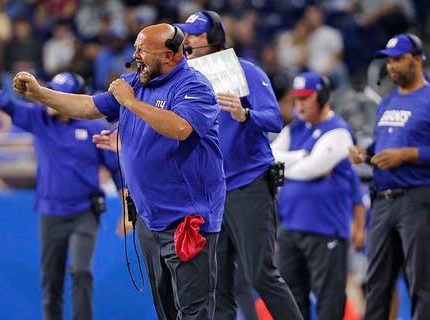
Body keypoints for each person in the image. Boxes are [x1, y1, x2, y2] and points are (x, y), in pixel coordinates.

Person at [11, 23, 225, 319]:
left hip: (187, 220)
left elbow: (180, 128)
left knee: (193, 312)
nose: (135, 55)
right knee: (166, 311)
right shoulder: (137, 82)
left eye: (142, 50)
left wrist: (130, 102)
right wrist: (40, 93)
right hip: (150, 221)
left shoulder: (193, 86)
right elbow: (88, 107)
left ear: (169, 54)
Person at [0, 53, 123, 320]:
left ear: (76, 100)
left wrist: (127, 209)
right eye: (50, 90)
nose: (50, 98)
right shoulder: (38, 118)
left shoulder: (92, 128)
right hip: (51, 212)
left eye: (60, 94)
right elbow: (0, 99)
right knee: (50, 281)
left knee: (81, 271)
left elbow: (115, 168)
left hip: (85, 211)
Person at [175, 10, 302, 320]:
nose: (187, 40)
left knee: (261, 274)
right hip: (212, 194)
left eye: (195, 34)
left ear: (215, 38)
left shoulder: (245, 71)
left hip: (248, 185)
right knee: (216, 283)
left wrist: (245, 113)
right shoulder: (188, 80)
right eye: (186, 34)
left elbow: (274, 119)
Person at [271, 71, 366, 320]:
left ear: (322, 97)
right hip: (291, 228)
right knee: (290, 301)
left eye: (306, 98)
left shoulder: (339, 132)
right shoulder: (295, 129)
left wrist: (291, 166)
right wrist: (302, 157)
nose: (299, 104)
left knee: (329, 302)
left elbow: (312, 169)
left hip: (326, 230)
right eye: (297, 98)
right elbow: (267, 158)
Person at [348, 33, 430, 320]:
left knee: (421, 281)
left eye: (398, 59)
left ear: (418, 60)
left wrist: (407, 155)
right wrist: (365, 153)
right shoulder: (387, 102)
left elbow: (402, 152)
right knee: (377, 283)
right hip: (383, 201)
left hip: (417, 198)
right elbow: (383, 149)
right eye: (389, 61)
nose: (391, 66)